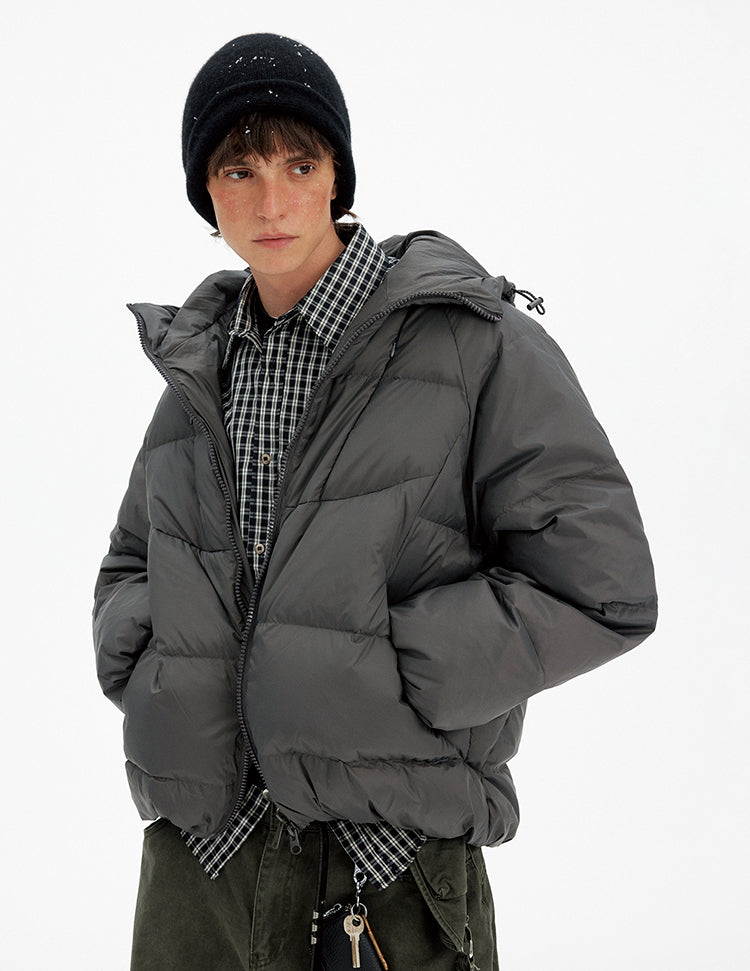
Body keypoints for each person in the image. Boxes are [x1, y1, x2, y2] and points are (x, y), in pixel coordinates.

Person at [93, 32, 657, 971]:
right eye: (238, 170)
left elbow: (604, 585)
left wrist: (396, 666)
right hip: (200, 870)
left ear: (337, 178)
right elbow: (128, 564)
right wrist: (163, 660)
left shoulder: (473, 344)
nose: (271, 201)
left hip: (385, 868)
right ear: (206, 195)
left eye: (299, 164)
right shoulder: (199, 371)